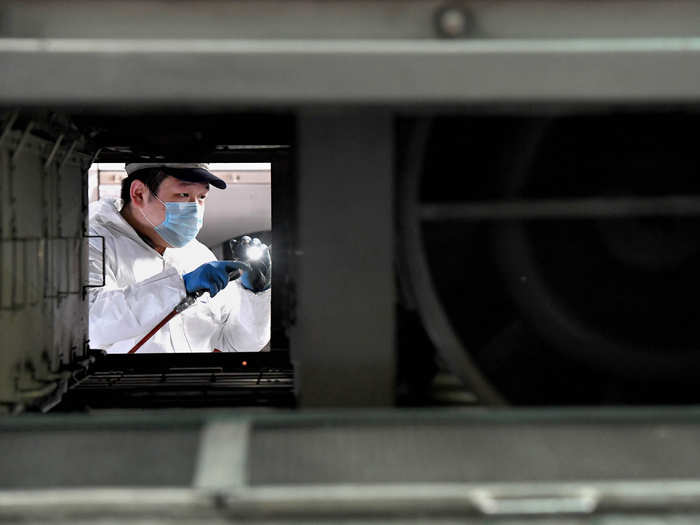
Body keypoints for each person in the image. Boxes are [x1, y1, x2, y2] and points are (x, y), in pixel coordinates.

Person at [87, 163, 271, 353]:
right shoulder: (91, 242)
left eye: (201, 197)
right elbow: (90, 325)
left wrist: (255, 296)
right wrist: (180, 287)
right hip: (126, 382)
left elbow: (235, 344)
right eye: (183, 195)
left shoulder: (195, 253)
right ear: (139, 193)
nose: (195, 210)